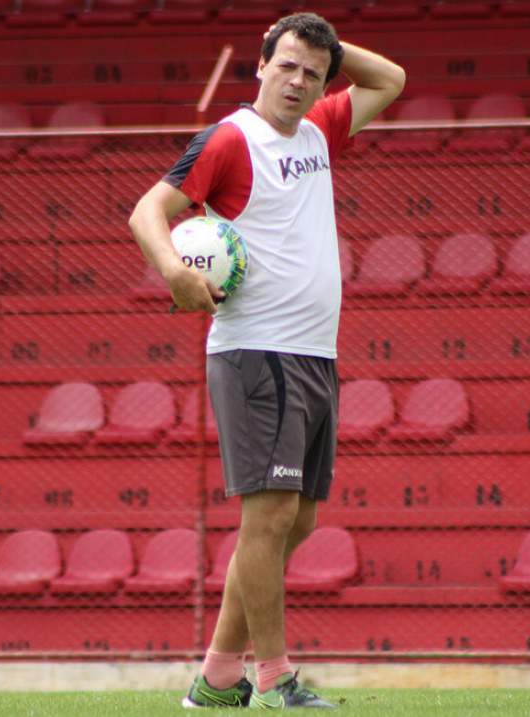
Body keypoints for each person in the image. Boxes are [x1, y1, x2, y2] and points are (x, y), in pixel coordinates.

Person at [129, 12, 404, 709]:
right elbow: (147, 211)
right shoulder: (230, 138)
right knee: (271, 517)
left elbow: (391, 79)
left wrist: (326, 48)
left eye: (313, 72)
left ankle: (219, 677)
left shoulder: (320, 128)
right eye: (286, 65)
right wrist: (175, 273)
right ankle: (277, 677)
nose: (298, 81)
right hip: (258, 350)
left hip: (314, 354)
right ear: (260, 65)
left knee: (296, 521)